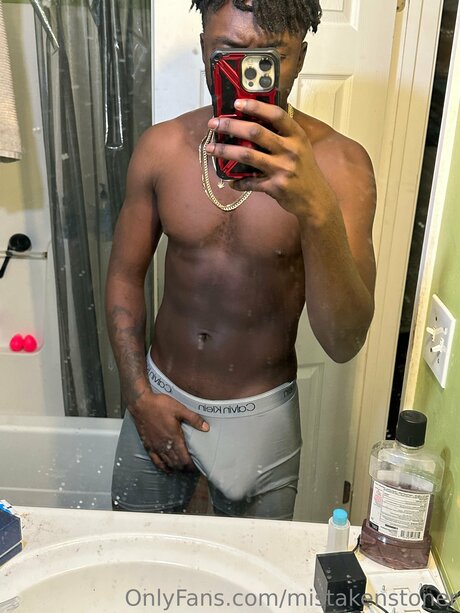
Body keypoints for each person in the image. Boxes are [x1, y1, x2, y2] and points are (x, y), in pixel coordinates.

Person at [106, 0, 376, 520]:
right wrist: (138, 395)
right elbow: (123, 277)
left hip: (262, 421)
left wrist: (316, 207)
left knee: (254, 572)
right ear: (203, 47)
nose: (248, 74)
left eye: (271, 56)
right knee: (132, 560)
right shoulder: (162, 147)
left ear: (301, 57)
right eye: (228, 52)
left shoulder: (341, 166)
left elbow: (344, 342)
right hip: (157, 399)